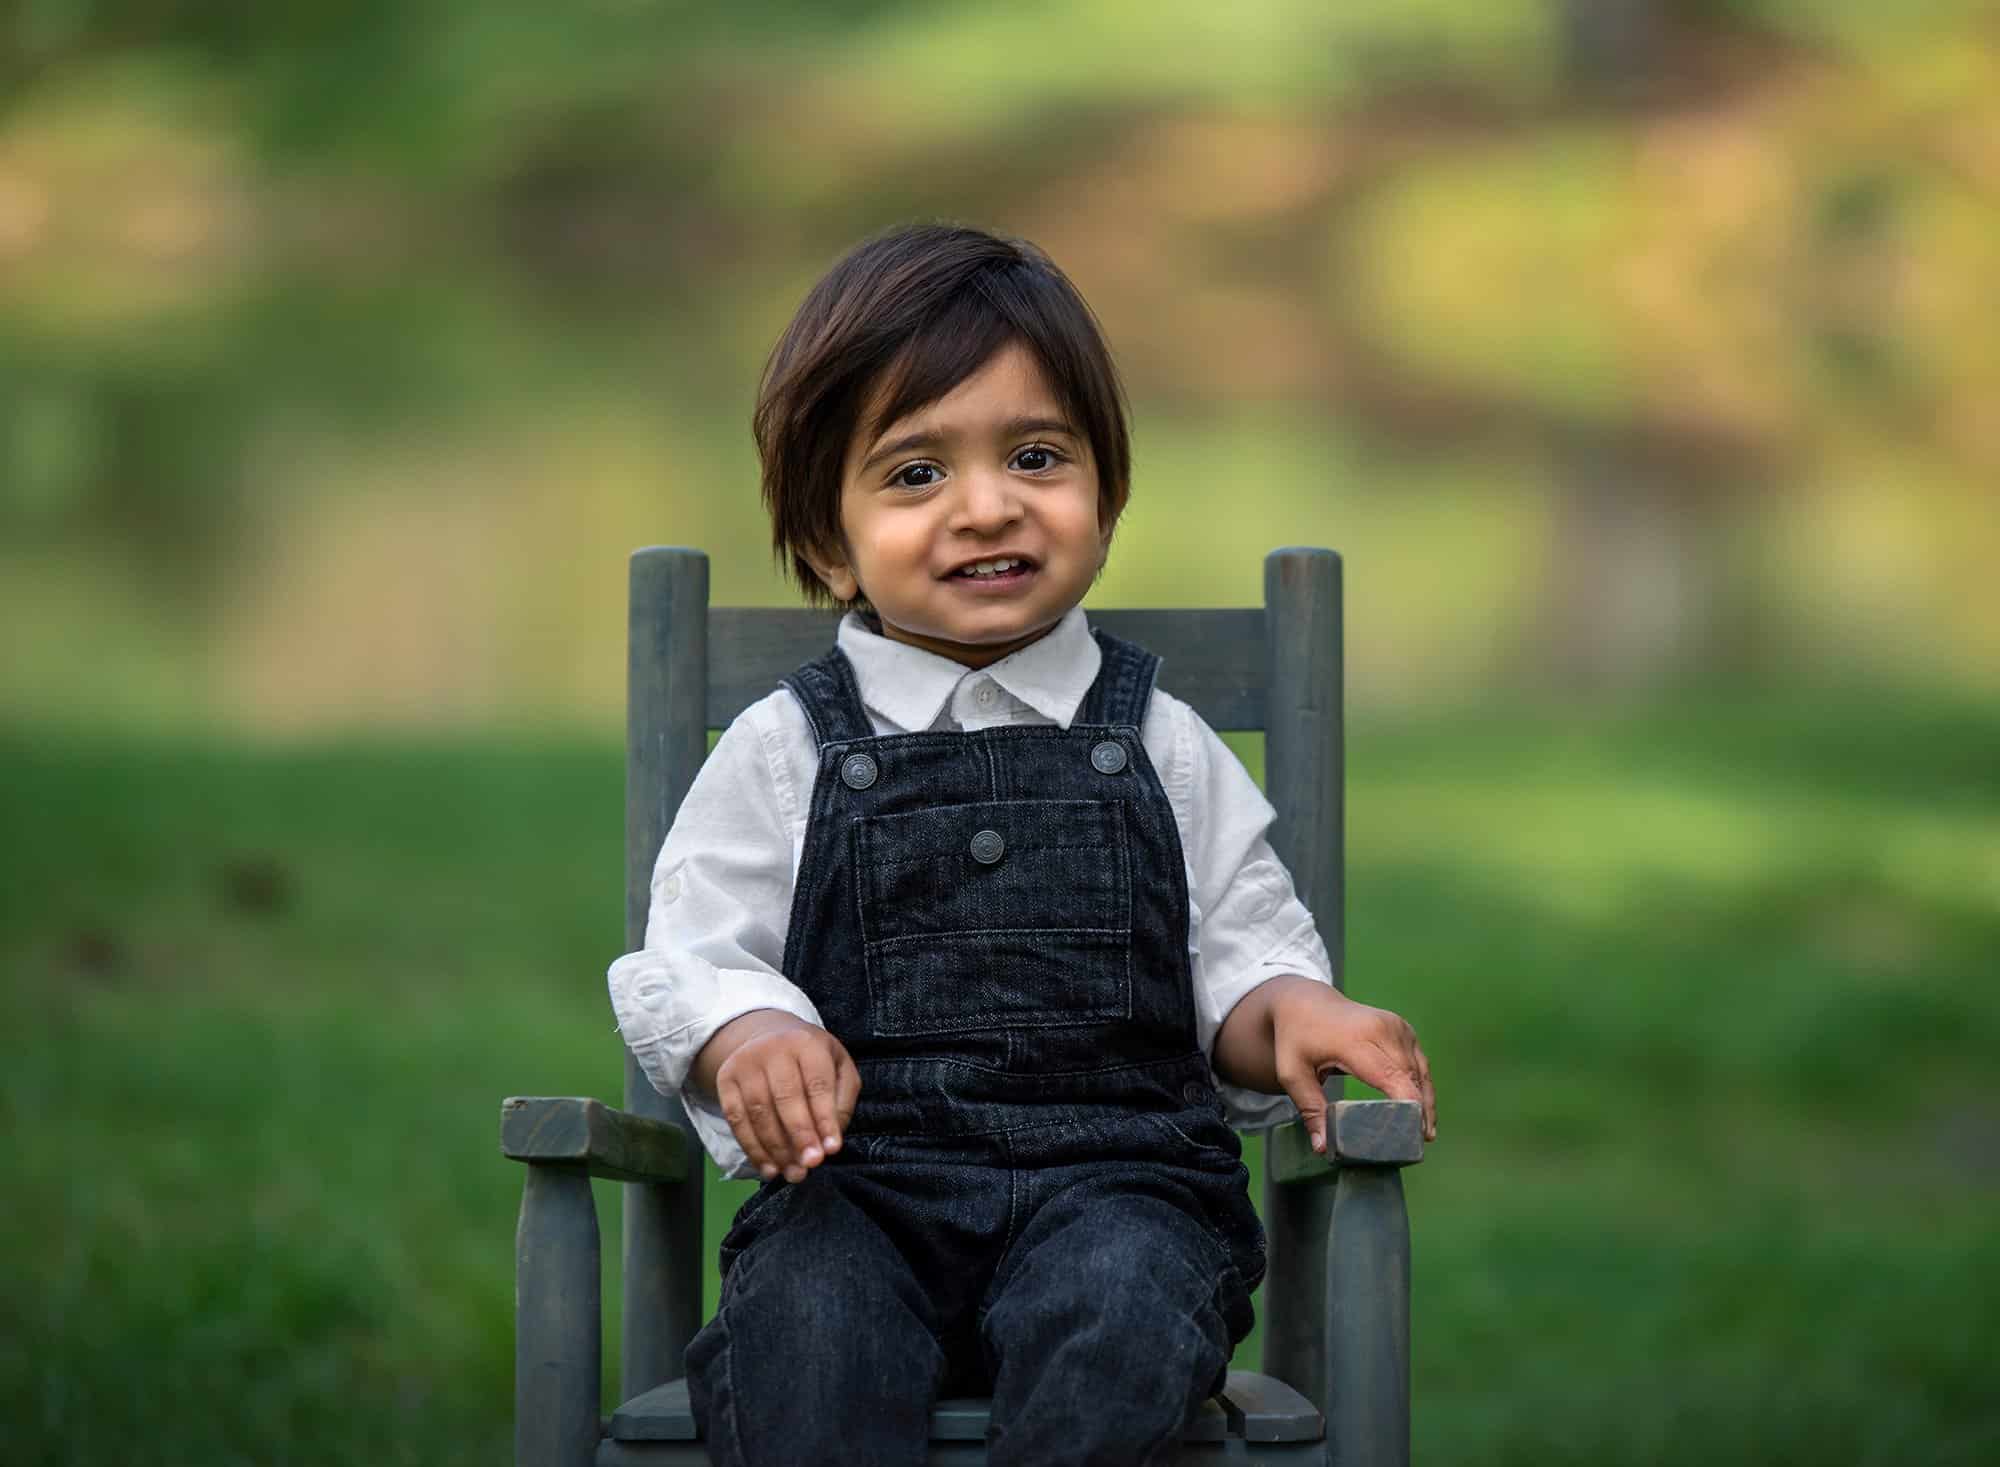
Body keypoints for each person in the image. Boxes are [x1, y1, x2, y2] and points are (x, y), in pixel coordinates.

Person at [607, 223, 1437, 1467]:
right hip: (858, 1194)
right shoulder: (785, 748)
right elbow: (688, 953)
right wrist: (751, 1031)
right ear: (827, 544)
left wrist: (1293, 1012)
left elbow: (1237, 954)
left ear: (1102, 492)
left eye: (1035, 455)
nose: (985, 505)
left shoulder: (1158, 738)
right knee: (803, 1332)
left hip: (1120, 1190)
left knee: (1116, 1320)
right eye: (912, 474)